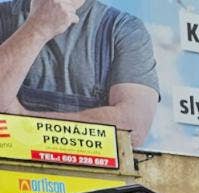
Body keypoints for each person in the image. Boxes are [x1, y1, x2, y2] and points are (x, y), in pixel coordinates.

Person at [0, 0, 158, 145]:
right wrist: (38, 28)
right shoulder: (3, 17)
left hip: (92, 167)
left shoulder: (124, 29)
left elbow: (133, 127)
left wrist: (25, 120)